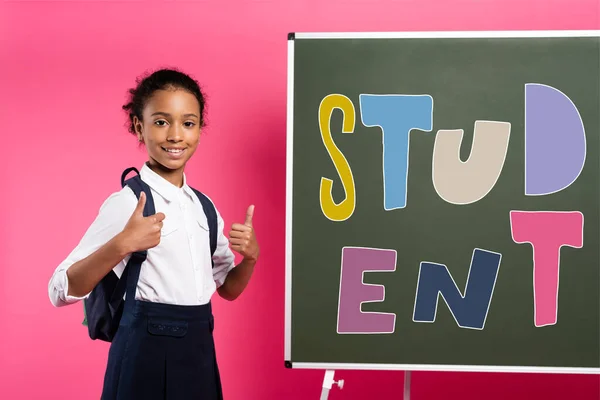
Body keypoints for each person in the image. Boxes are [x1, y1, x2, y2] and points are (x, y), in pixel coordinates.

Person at [48, 68, 259, 399]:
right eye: (161, 122)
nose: (176, 135)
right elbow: (58, 290)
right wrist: (121, 245)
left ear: (200, 129)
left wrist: (250, 258)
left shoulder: (204, 208)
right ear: (138, 126)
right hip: (142, 355)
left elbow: (228, 289)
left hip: (200, 354)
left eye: (188, 123)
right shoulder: (128, 203)